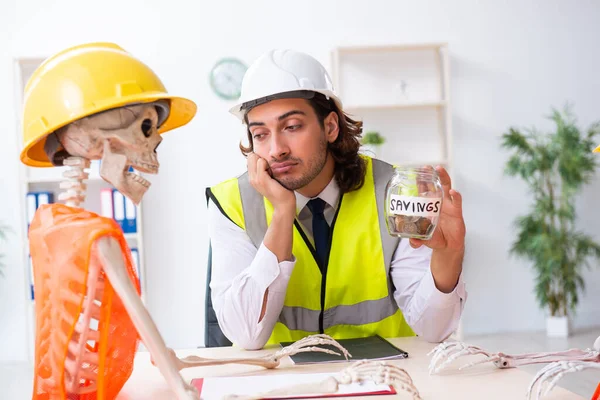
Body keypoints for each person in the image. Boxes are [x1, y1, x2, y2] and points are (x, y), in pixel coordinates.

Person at [206, 49, 467, 350]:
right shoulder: (231, 203)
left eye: (291, 127)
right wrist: (281, 214)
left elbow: (432, 330)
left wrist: (449, 254)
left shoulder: (392, 191)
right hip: (283, 385)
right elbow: (245, 336)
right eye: (261, 134)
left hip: (384, 379)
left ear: (330, 126)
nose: (276, 149)